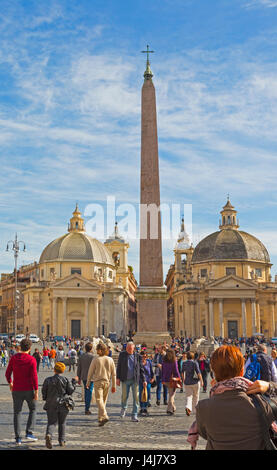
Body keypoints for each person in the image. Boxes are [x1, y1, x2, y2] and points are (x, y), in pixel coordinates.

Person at [192, 345, 276, 450]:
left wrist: (218, 391)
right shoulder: (262, 404)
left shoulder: (203, 407)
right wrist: (270, 386)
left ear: (214, 373)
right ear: (242, 371)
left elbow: (205, 434)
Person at [5, 338, 38, 445]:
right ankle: (29, 432)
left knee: (17, 413)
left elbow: (7, 373)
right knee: (33, 409)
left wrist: (10, 383)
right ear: (29, 348)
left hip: (17, 389)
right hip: (29, 389)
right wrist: (36, 391)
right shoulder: (31, 359)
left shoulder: (14, 358)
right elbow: (34, 377)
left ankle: (18, 438)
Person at [42, 362, 76, 449]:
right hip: (63, 404)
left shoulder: (47, 380)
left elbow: (44, 393)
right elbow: (70, 391)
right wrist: (74, 383)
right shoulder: (65, 379)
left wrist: (47, 398)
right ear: (63, 370)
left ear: (54, 369)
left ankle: (49, 434)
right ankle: (61, 440)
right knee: (62, 422)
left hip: (51, 403)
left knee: (51, 422)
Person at [86, 343, 116, 426]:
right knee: (103, 401)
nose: (96, 351)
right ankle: (100, 418)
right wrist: (114, 385)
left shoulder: (96, 359)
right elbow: (114, 374)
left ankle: (105, 415)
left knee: (99, 400)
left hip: (98, 382)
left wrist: (88, 382)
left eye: (97, 349)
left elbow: (90, 372)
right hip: (107, 382)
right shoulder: (110, 359)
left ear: (100, 350)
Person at [116, 341, 146, 422]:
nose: (128, 350)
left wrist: (144, 380)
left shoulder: (137, 356)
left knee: (136, 397)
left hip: (135, 379)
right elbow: (119, 367)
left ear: (133, 349)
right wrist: (117, 378)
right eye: (127, 348)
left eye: (130, 349)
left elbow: (141, 368)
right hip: (125, 379)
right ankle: (124, 408)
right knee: (124, 396)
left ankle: (134, 414)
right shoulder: (122, 355)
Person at [182, 351, 203, 416]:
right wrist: (201, 381)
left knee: (189, 396)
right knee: (196, 396)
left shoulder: (184, 363)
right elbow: (198, 372)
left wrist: (183, 380)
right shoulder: (195, 363)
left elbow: (182, 372)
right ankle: (195, 410)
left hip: (187, 382)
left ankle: (188, 407)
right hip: (195, 382)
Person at [76, 342, 95, 415]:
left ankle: (87, 408)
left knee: (87, 391)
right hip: (91, 377)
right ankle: (87, 408)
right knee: (89, 392)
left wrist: (79, 377)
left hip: (84, 376)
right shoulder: (93, 357)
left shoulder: (81, 356)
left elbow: (79, 368)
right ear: (91, 349)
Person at [161, 349, 181, 415]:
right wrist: (179, 378)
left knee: (171, 393)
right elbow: (176, 370)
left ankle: (173, 407)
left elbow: (163, 371)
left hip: (166, 380)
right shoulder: (173, 361)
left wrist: (163, 380)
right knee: (171, 395)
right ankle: (169, 409)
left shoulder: (164, 361)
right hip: (172, 379)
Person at [139, 351, 155, 416]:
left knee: (147, 393)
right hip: (140, 381)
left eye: (145, 356)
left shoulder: (149, 362)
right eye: (143, 356)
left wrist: (152, 378)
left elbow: (151, 371)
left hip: (148, 380)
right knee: (141, 394)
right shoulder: (138, 363)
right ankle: (141, 407)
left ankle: (145, 407)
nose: (144, 358)